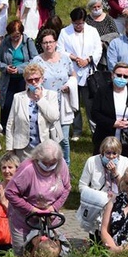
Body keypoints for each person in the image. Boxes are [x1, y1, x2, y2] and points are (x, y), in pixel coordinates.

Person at [4, 139, 71, 257]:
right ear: (37, 157)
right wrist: (31, 209)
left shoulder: (61, 165)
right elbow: (10, 193)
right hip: (24, 219)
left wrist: (54, 207)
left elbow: (66, 188)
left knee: (51, 252)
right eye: (45, 163)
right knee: (24, 254)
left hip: (50, 217)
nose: (49, 166)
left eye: (52, 163)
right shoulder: (28, 168)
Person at [31, 29, 77, 165]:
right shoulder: (37, 61)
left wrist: (70, 85)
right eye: (45, 43)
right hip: (45, 103)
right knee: (46, 137)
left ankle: (65, 166)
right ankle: (46, 165)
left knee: (63, 138)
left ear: (56, 43)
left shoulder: (65, 58)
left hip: (62, 103)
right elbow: (31, 81)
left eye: (50, 42)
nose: (48, 45)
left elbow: (73, 75)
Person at [59, 7, 104, 139]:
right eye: (75, 23)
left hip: (88, 72)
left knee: (90, 103)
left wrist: (88, 60)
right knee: (74, 102)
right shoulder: (64, 32)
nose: (78, 26)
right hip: (72, 71)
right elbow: (61, 50)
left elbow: (98, 49)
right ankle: (77, 129)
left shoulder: (92, 31)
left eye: (80, 23)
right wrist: (74, 58)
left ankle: (94, 129)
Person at [90, 62, 128, 161]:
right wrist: (113, 123)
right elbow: (95, 113)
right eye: (119, 75)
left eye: (125, 76)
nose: (121, 78)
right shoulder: (102, 91)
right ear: (112, 75)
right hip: (105, 137)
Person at [77, 137, 128, 241]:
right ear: (102, 152)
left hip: (117, 204)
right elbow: (82, 186)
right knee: (96, 238)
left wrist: (115, 173)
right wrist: (97, 196)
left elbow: (127, 188)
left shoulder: (125, 162)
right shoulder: (92, 161)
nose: (111, 157)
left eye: (114, 153)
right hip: (97, 205)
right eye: (108, 153)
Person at [5, 64, 61, 161]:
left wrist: (40, 99)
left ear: (42, 79)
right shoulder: (18, 97)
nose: (33, 82)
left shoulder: (51, 95)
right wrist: (10, 148)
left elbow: (54, 117)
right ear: (25, 81)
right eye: (29, 80)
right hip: (22, 148)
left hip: (44, 146)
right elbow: (11, 123)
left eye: (36, 79)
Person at [0, 20, 38, 129]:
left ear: (22, 33)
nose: (14, 38)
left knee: (23, 102)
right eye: (12, 36)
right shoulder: (5, 42)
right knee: (7, 103)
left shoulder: (28, 42)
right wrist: (6, 68)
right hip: (8, 78)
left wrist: (19, 69)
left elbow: (35, 60)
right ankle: (5, 126)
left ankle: (22, 126)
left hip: (24, 78)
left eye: (17, 36)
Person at [85, 0, 119, 70]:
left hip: (107, 51)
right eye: (94, 7)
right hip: (92, 51)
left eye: (98, 6)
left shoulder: (108, 19)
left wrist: (104, 41)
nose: (97, 9)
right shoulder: (87, 20)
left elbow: (116, 34)